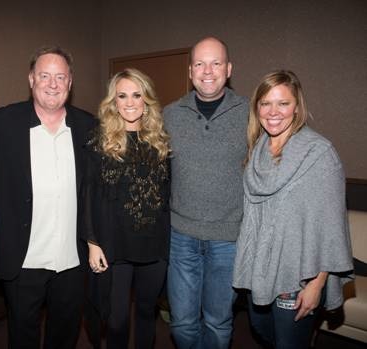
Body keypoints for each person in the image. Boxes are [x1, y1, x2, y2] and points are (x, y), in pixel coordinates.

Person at [232, 70, 353, 349]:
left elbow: (332, 227)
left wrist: (317, 284)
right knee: (262, 331)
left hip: (298, 275)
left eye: (283, 103)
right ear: (257, 108)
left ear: (296, 107)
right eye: (265, 103)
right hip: (259, 270)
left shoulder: (319, 154)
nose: (273, 112)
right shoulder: (257, 150)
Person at [0, 46, 96, 349]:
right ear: (31, 79)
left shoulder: (88, 127)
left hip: (71, 260)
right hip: (24, 259)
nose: (52, 84)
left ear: (70, 82)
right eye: (45, 76)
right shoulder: (2, 124)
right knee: (22, 336)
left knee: (64, 334)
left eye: (60, 77)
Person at [163, 36, 249, 349]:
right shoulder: (170, 114)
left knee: (218, 321)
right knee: (182, 324)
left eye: (215, 63)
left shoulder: (251, 113)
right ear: (190, 71)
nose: (207, 70)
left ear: (229, 69)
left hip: (228, 239)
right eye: (200, 63)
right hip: (181, 237)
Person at [83, 68, 171, 349]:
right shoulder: (99, 141)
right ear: (114, 101)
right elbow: (86, 195)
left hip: (154, 247)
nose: (130, 102)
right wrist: (92, 241)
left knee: (147, 313)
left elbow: (168, 196)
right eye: (122, 96)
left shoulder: (160, 143)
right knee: (117, 319)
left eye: (137, 95)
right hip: (114, 246)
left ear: (147, 101)